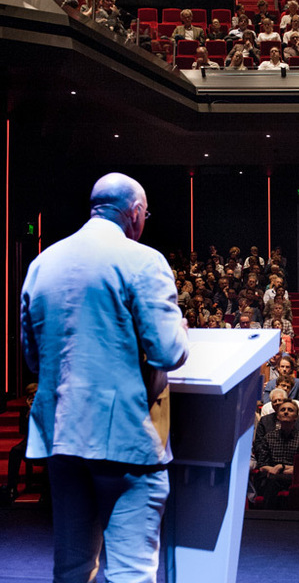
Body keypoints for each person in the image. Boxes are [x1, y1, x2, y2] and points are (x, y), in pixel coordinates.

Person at [21, 173, 189, 582]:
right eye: (144, 214)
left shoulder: (42, 263)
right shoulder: (143, 260)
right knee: (130, 571)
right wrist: (181, 328)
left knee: (73, 568)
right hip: (125, 440)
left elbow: (32, 358)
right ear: (134, 213)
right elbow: (169, 351)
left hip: (61, 438)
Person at [254, 401, 299, 508]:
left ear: (296, 417)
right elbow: (262, 465)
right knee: (270, 480)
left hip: (292, 478)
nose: (286, 412)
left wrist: (280, 467)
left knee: (274, 479)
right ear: (278, 416)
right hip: (270, 475)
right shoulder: (269, 437)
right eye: (283, 410)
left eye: (290, 410)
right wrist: (272, 470)